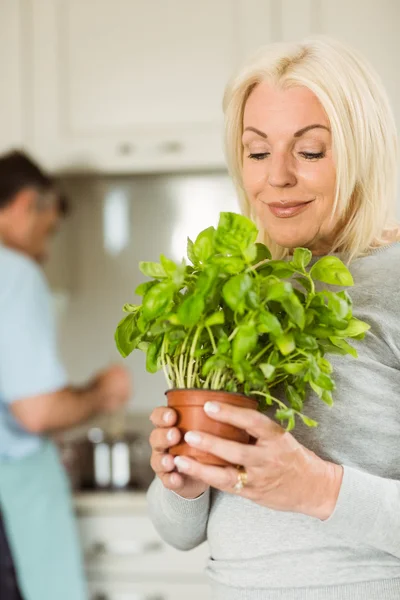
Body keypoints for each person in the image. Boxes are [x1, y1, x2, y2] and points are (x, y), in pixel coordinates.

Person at [147, 36, 400, 599]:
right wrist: (181, 483)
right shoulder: (237, 288)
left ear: (363, 151)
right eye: (258, 152)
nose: (277, 177)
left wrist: (318, 487)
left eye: (310, 151)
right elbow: (178, 532)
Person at [0, 151, 132, 600]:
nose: (47, 249)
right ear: (24, 205)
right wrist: (103, 392)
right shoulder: (13, 273)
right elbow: (36, 413)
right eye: (48, 228)